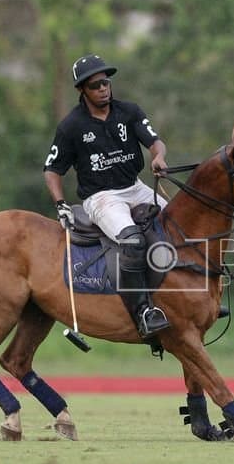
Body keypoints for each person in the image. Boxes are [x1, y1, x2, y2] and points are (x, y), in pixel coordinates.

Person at [43, 54, 171, 338]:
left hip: (135, 187)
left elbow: (155, 141)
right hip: (101, 197)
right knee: (132, 241)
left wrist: (158, 157)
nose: (103, 88)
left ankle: (185, 303)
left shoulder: (129, 111)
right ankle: (143, 313)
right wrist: (60, 203)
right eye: (95, 85)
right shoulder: (71, 126)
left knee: (178, 225)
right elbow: (52, 170)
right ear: (81, 90)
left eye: (106, 82)